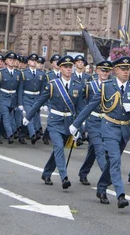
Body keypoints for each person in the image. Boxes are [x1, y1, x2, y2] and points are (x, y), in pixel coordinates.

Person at [69, 56, 130, 208]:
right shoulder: (106, 87)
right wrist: (76, 124)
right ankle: (120, 195)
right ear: (116, 70)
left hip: (124, 129)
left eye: (127, 69)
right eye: (122, 69)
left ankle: (102, 187)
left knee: (111, 162)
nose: (125, 72)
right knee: (115, 160)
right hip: (109, 127)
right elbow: (90, 106)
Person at [22, 55, 86, 190]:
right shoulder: (53, 85)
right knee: (58, 147)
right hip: (55, 122)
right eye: (66, 67)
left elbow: (80, 109)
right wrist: (28, 116)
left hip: (68, 122)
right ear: (60, 68)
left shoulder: (78, 86)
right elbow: (39, 101)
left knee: (59, 149)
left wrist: (79, 127)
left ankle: (46, 173)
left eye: (70, 67)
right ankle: (64, 177)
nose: (69, 69)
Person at [75, 60, 113, 187]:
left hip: (106, 122)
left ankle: (83, 172)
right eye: (102, 70)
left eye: (107, 71)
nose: (105, 73)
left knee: (93, 150)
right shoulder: (89, 86)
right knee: (100, 149)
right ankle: (106, 176)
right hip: (93, 121)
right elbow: (83, 103)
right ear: (97, 71)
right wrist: (79, 122)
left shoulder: (111, 86)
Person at [19, 53, 46, 143]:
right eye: (32, 61)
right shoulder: (24, 73)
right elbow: (21, 89)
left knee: (34, 116)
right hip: (27, 97)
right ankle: (32, 134)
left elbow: (42, 89)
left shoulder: (41, 74)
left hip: (37, 97)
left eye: (35, 61)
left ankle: (22, 134)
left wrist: (42, 102)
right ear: (28, 62)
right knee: (29, 115)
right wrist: (20, 102)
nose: (34, 62)